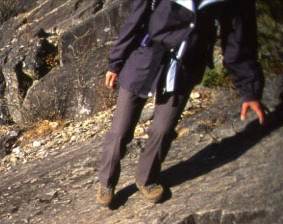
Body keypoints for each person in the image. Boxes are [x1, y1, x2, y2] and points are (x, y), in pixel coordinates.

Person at [95, 0, 266, 207]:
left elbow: (238, 41)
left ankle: (146, 178)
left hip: (184, 69)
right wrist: (115, 62)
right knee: (120, 130)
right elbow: (135, 19)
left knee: (163, 129)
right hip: (144, 58)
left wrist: (249, 90)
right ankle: (106, 182)